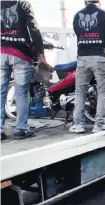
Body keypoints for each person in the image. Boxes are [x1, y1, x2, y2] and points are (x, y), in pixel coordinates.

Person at [1, 0, 50, 140]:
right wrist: (41, 54)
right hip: (20, 53)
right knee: (21, 92)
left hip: (1, 52)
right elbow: (33, 29)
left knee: (0, 92)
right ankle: (21, 128)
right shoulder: (23, 4)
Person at [70, 0, 105, 134]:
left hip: (83, 57)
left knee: (80, 92)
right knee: (103, 93)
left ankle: (78, 124)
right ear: (99, 2)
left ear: (85, 1)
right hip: (101, 57)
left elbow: (77, 34)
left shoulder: (77, 15)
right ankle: (99, 125)